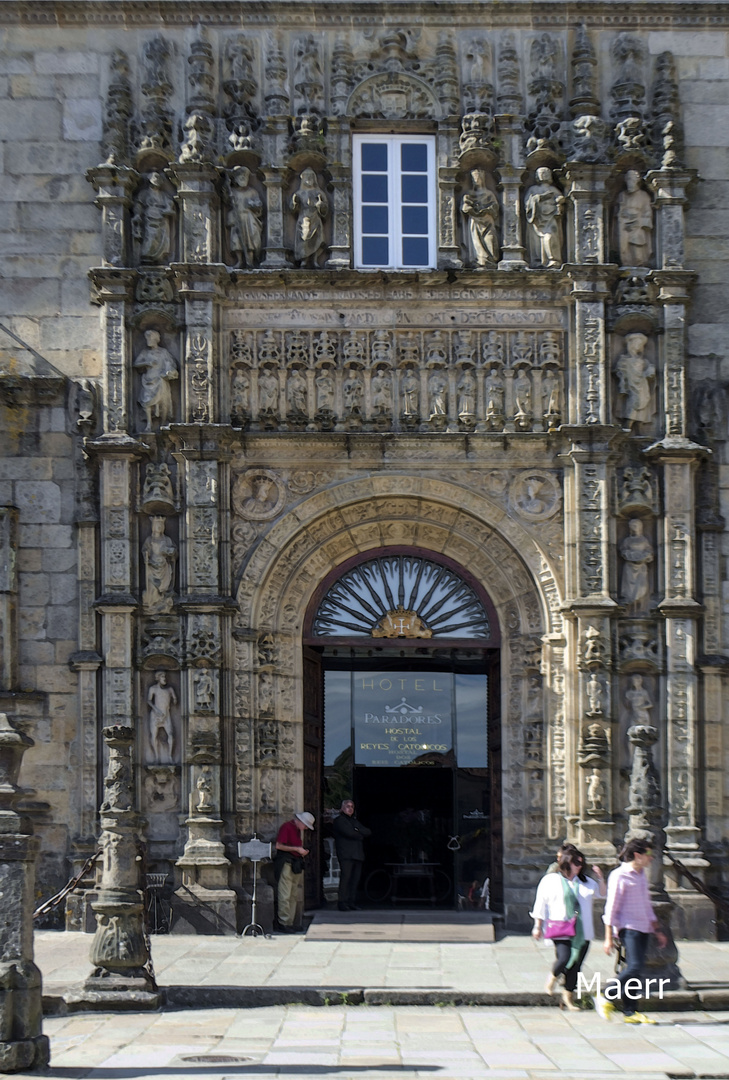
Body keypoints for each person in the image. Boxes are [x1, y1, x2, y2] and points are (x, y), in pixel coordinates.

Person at [598, 836, 667, 1024]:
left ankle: (630, 1011)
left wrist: (657, 929)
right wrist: (608, 937)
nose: (651, 858)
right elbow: (611, 908)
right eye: (649, 854)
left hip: (643, 927)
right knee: (635, 966)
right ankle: (606, 994)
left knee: (635, 970)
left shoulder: (641, 875)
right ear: (637, 855)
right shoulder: (619, 875)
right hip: (628, 928)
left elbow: (646, 905)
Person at [531, 844, 605, 1011]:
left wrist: (600, 878)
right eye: (575, 863)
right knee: (564, 958)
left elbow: (602, 894)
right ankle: (552, 977)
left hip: (583, 930)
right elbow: (540, 904)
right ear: (566, 862)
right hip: (561, 928)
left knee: (576, 966)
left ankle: (568, 998)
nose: (579, 866)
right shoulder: (551, 880)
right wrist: (537, 926)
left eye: (581, 863)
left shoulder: (586, 882)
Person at [274, 811, 315, 932]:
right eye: (306, 825)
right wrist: (297, 849)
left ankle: (289, 922)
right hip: (286, 863)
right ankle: (283, 922)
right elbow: (279, 845)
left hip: (295, 863)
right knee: (285, 894)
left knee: (293, 895)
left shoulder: (297, 830)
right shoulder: (287, 827)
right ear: (301, 822)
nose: (306, 828)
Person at [331, 799, 371, 911]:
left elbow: (367, 831)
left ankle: (351, 901)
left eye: (352, 806)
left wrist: (357, 831)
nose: (350, 808)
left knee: (355, 879)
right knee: (346, 878)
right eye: (347, 806)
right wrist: (358, 833)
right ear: (342, 808)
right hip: (346, 854)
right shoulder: (339, 820)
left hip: (357, 854)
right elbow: (349, 833)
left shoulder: (354, 821)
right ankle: (342, 902)